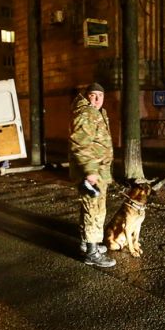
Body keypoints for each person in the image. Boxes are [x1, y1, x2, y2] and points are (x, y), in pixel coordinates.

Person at [69, 82, 116, 268]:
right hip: (91, 173)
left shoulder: (97, 113)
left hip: (98, 171)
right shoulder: (85, 113)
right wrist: (90, 172)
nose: (96, 99)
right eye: (93, 95)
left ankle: (87, 242)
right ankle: (92, 253)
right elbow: (80, 143)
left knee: (91, 208)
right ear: (86, 96)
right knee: (94, 210)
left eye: (100, 96)